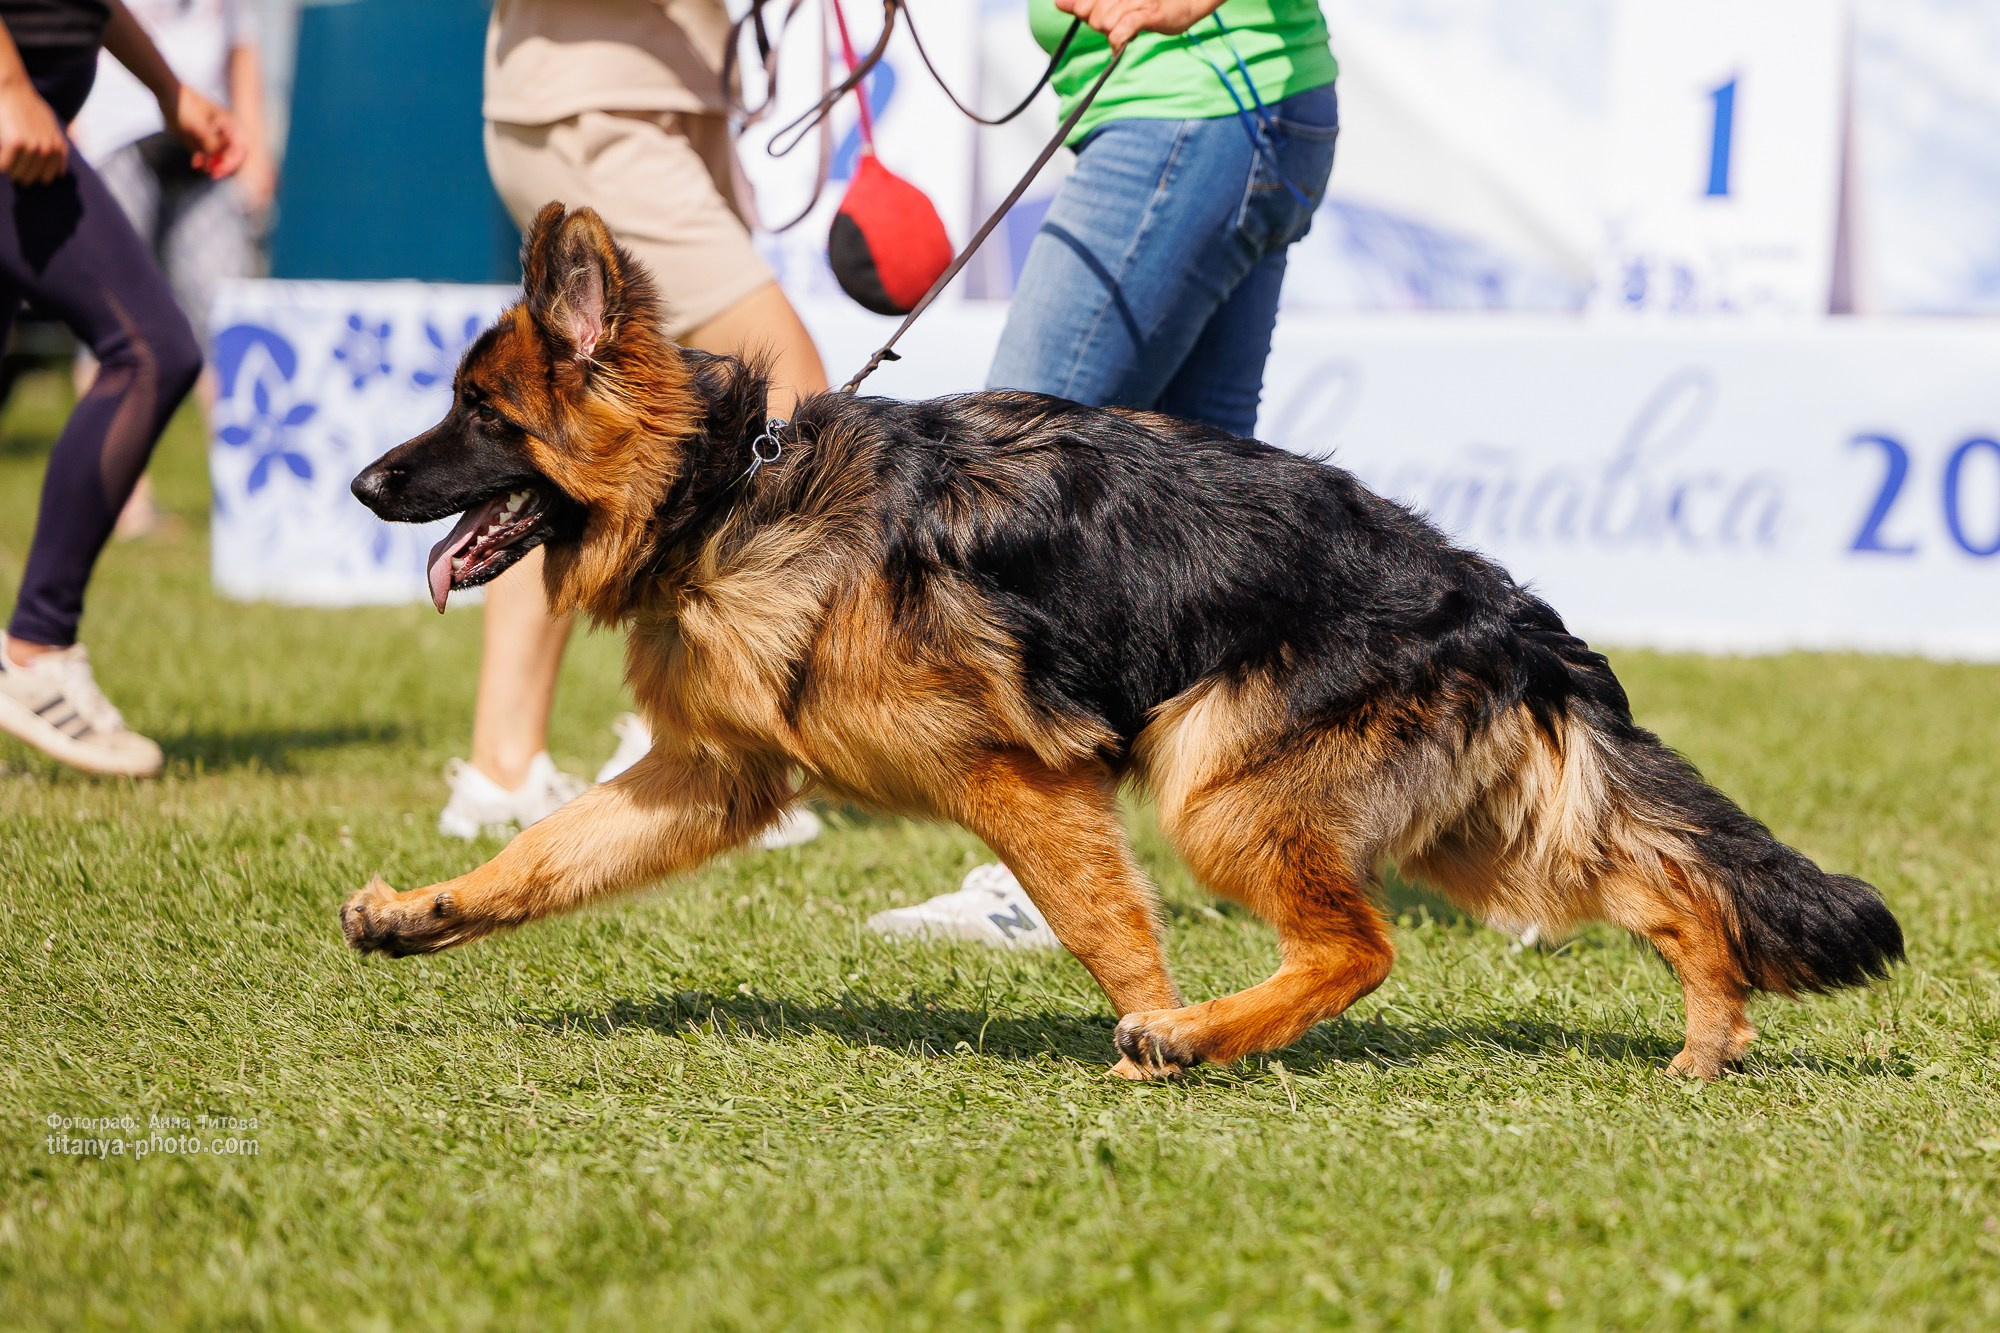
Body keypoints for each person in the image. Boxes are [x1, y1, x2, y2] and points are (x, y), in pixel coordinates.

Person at [868, 0, 1339, 946]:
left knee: (994, 500)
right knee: (1201, 557)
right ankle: (1500, 819)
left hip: (1192, 105)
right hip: (1240, 107)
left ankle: (1033, 882)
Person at [440, 0, 831, 843]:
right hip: (593, 104)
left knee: (571, 451)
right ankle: (715, 738)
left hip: (660, 93)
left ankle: (504, 765)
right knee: (793, 386)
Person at [0, 0, 240, 778]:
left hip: (31, 116)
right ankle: (36, 649)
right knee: (151, 349)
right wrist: (8, 84)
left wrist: (170, 91)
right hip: (14, 115)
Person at [71, 0, 275, 539]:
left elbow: (241, 44)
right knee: (112, 327)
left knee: (226, 328)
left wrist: (254, 144)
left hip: (207, 138)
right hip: (114, 136)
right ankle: (121, 503)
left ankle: (244, 501)